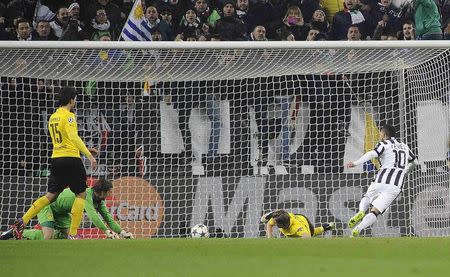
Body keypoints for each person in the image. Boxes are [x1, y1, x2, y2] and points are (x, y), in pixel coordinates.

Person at [11, 86, 98, 239]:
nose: (75, 101)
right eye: (75, 98)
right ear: (71, 100)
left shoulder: (53, 117)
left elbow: (64, 139)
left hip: (56, 159)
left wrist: (86, 148)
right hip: (71, 160)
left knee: (51, 195)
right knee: (81, 193)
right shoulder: (69, 116)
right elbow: (73, 137)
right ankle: (73, 234)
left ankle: (22, 220)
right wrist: (88, 155)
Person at [346, 124, 419, 237]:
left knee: (367, 197)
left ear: (384, 134)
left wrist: (355, 163)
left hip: (381, 180)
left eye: (380, 133)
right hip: (396, 186)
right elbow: (415, 162)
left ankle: (361, 211)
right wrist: (405, 171)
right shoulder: (405, 146)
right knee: (375, 211)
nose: (379, 135)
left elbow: (372, 154)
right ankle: (358, 229)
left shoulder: (384, 144)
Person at [1, 179, 133, 240]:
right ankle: (19, 233)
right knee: (48, 237)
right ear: (102, 191)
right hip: (49, 208)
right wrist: (105, 231)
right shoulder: (86, 194)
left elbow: (108, 218)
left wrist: (122, 231)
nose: (110, 194)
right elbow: (93, 216)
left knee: (68, 239)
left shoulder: (100, 201)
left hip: (63, 213)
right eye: (109, 192)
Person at [261, 210, 335, 238]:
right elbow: (269, 225)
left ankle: (325, 227)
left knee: (312, 234)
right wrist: (270, 238)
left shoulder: (297, 227)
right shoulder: (276, 218)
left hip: (303, 220)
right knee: (263, 220)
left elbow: (307, 237)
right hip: (287, 216)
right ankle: (270, 213)